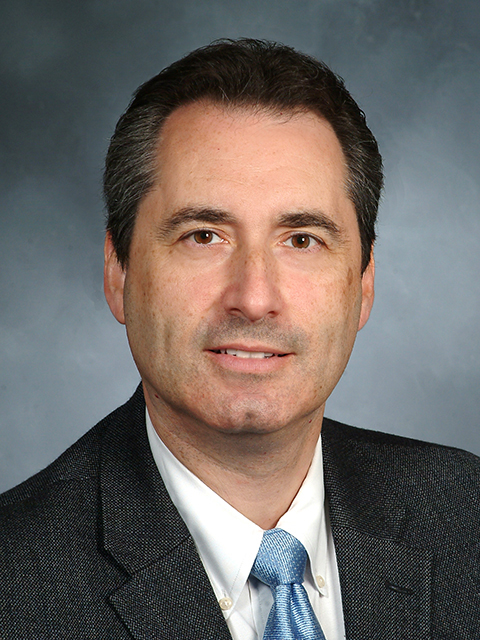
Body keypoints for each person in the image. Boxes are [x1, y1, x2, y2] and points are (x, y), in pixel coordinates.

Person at [0, 39, 479, 640]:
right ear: (118, 273)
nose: (253, 298)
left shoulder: (465, 518)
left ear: (364, 283)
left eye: (301, 240)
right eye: (204, 236)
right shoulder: (15, 586)